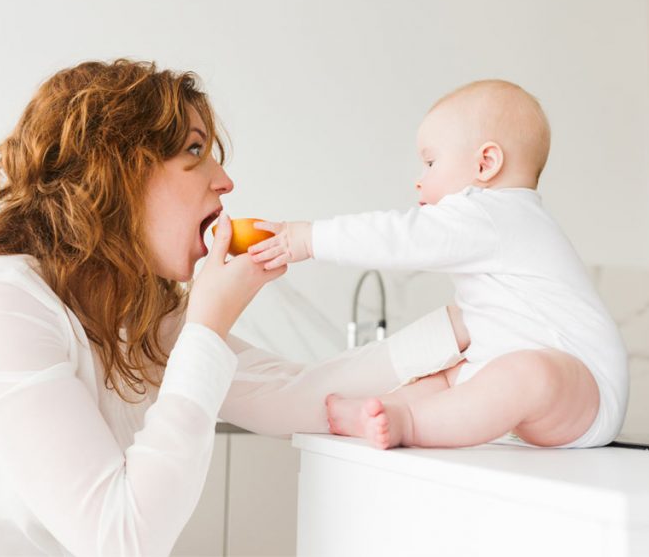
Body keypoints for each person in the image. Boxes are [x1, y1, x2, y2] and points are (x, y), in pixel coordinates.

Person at [0, 59, 472, 556]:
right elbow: (123, 540)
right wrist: (208, 322)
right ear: (119, 174)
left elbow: (298, 394)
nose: (225, 181)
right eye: (195, 151)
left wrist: (462, 330)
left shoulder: (132, 313)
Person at [249, 79, 629, 450]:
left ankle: (411, 423)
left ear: (486, 163)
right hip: (517, 385)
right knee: (446, 379)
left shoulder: (498, 213)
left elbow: (399, 238)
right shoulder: (499, 221)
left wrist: (307, 238)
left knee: (530, 373)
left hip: (586, 392)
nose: (420, 180)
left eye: (431, 162)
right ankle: (379, 412)